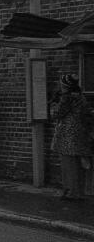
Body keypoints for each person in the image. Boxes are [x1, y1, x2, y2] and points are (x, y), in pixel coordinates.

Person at [49, 73, 92, 201]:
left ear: (64, 85)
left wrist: (52, 105)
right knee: (78, 165)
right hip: (80, 134)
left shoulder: (66, 98)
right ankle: (78, 190)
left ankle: (71, 191)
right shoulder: (80, 97)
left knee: (68, 165)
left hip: (67, 136)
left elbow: (57, 114)